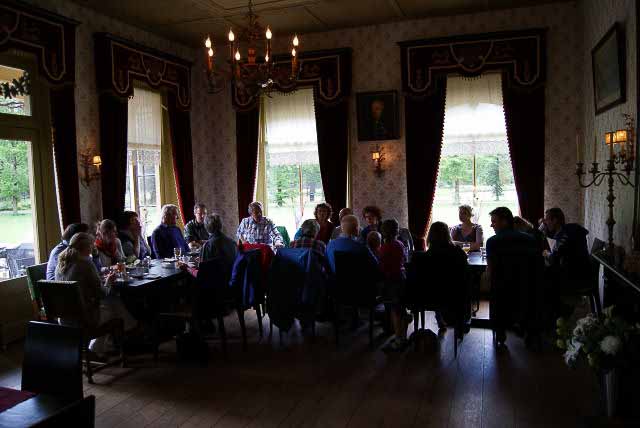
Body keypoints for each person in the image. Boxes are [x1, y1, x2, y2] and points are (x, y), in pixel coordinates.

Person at [55, 233, 136, 355]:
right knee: (113, 303)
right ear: (87, 247)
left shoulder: (60, 264)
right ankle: (105, 345)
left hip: (65, 319)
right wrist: (109, 281)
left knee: (112, 304)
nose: (93, 248)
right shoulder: (85, 264)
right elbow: (103, 294)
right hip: (85, 320)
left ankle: (104, 345)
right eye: (92, 245)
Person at [422, 221, 469, 330]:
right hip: (454, 293)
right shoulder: (457, 252)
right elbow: (465, 273)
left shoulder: (427, 255)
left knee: (436, 286)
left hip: (431, 295)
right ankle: (463, 320)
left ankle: (439, 318)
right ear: (447, 234)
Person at [378, 219, 410, 352]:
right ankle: (403, 337)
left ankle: (398, 339)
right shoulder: (400, 244)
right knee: (401, 310)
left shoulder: (384, 247)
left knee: (395, 311)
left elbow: (382, 267)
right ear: (397, 231)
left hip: (391, 282)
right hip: (401, 279)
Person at [542, 207, 591, 290]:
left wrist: (546, 253)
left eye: (547, 220)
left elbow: (553, 259)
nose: (545, 223)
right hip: (582, 273)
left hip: (574, 278)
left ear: (555, 220)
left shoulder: (565, 235)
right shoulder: (569, 229)